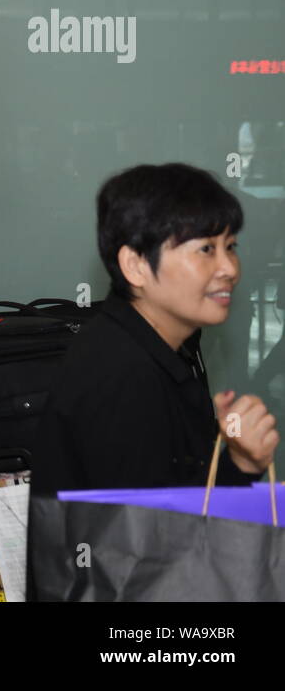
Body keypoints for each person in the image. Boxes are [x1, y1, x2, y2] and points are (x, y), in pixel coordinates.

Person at [30, 164, 278, 499]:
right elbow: (149, 528)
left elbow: (173, 503)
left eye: (230, 246)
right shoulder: (120, 374)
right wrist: (239, 465)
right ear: (136, 265)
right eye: (206, 249)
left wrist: (237, 458)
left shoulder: (142, 349)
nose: (229, 268)